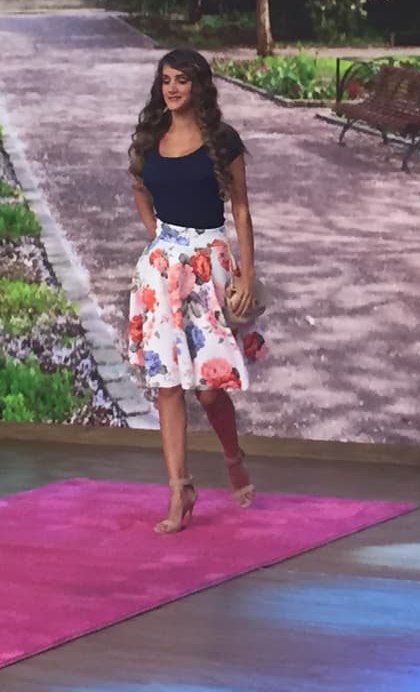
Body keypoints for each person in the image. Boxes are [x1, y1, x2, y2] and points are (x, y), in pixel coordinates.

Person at [127, 48, 267, 534]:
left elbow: (241, 209)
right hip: (161, 271)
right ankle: (179, 489)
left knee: (208, 391)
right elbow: (139, 188)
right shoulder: (150, 138)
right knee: (166, 383)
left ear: (199, 86)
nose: (172, 88)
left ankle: (232, 456)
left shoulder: (222, 141)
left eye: (182, 80)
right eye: (166, 79)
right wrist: (159, 239)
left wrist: (247, 273)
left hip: (210, 266)